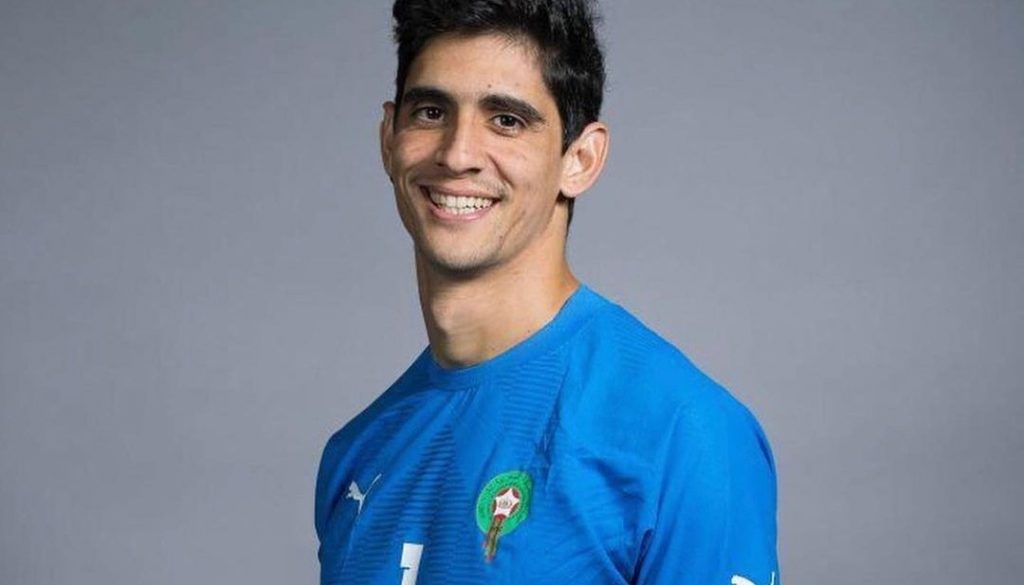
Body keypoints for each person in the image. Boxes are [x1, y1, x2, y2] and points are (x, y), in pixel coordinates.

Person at [315, 1, 780, 583]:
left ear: (580, 159)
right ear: (389, 138)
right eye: (431, 112)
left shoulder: (683, 434)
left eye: (506, 120)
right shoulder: (358, 453)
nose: (457, 154)